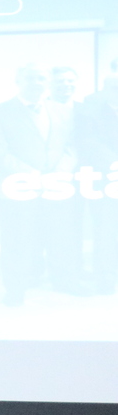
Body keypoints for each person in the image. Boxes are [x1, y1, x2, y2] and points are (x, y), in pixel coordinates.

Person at [0, 64, 82, 303]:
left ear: (47, 82)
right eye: (30, 78)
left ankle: (64, 281)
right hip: (17, 188)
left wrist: (59, 174)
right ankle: (15, 291)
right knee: (16, 241)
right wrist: (35, 176)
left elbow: (71, 146)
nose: (36, 83)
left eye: (41, 78)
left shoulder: (64, 111)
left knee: (60, 237)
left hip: (57, 186)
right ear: (17, 82)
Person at [75, 75, 118, 293]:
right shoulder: (91, 113)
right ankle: (106, 276)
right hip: (105, 179)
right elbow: (89, 142)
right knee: (107, 230)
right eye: (113, 86)